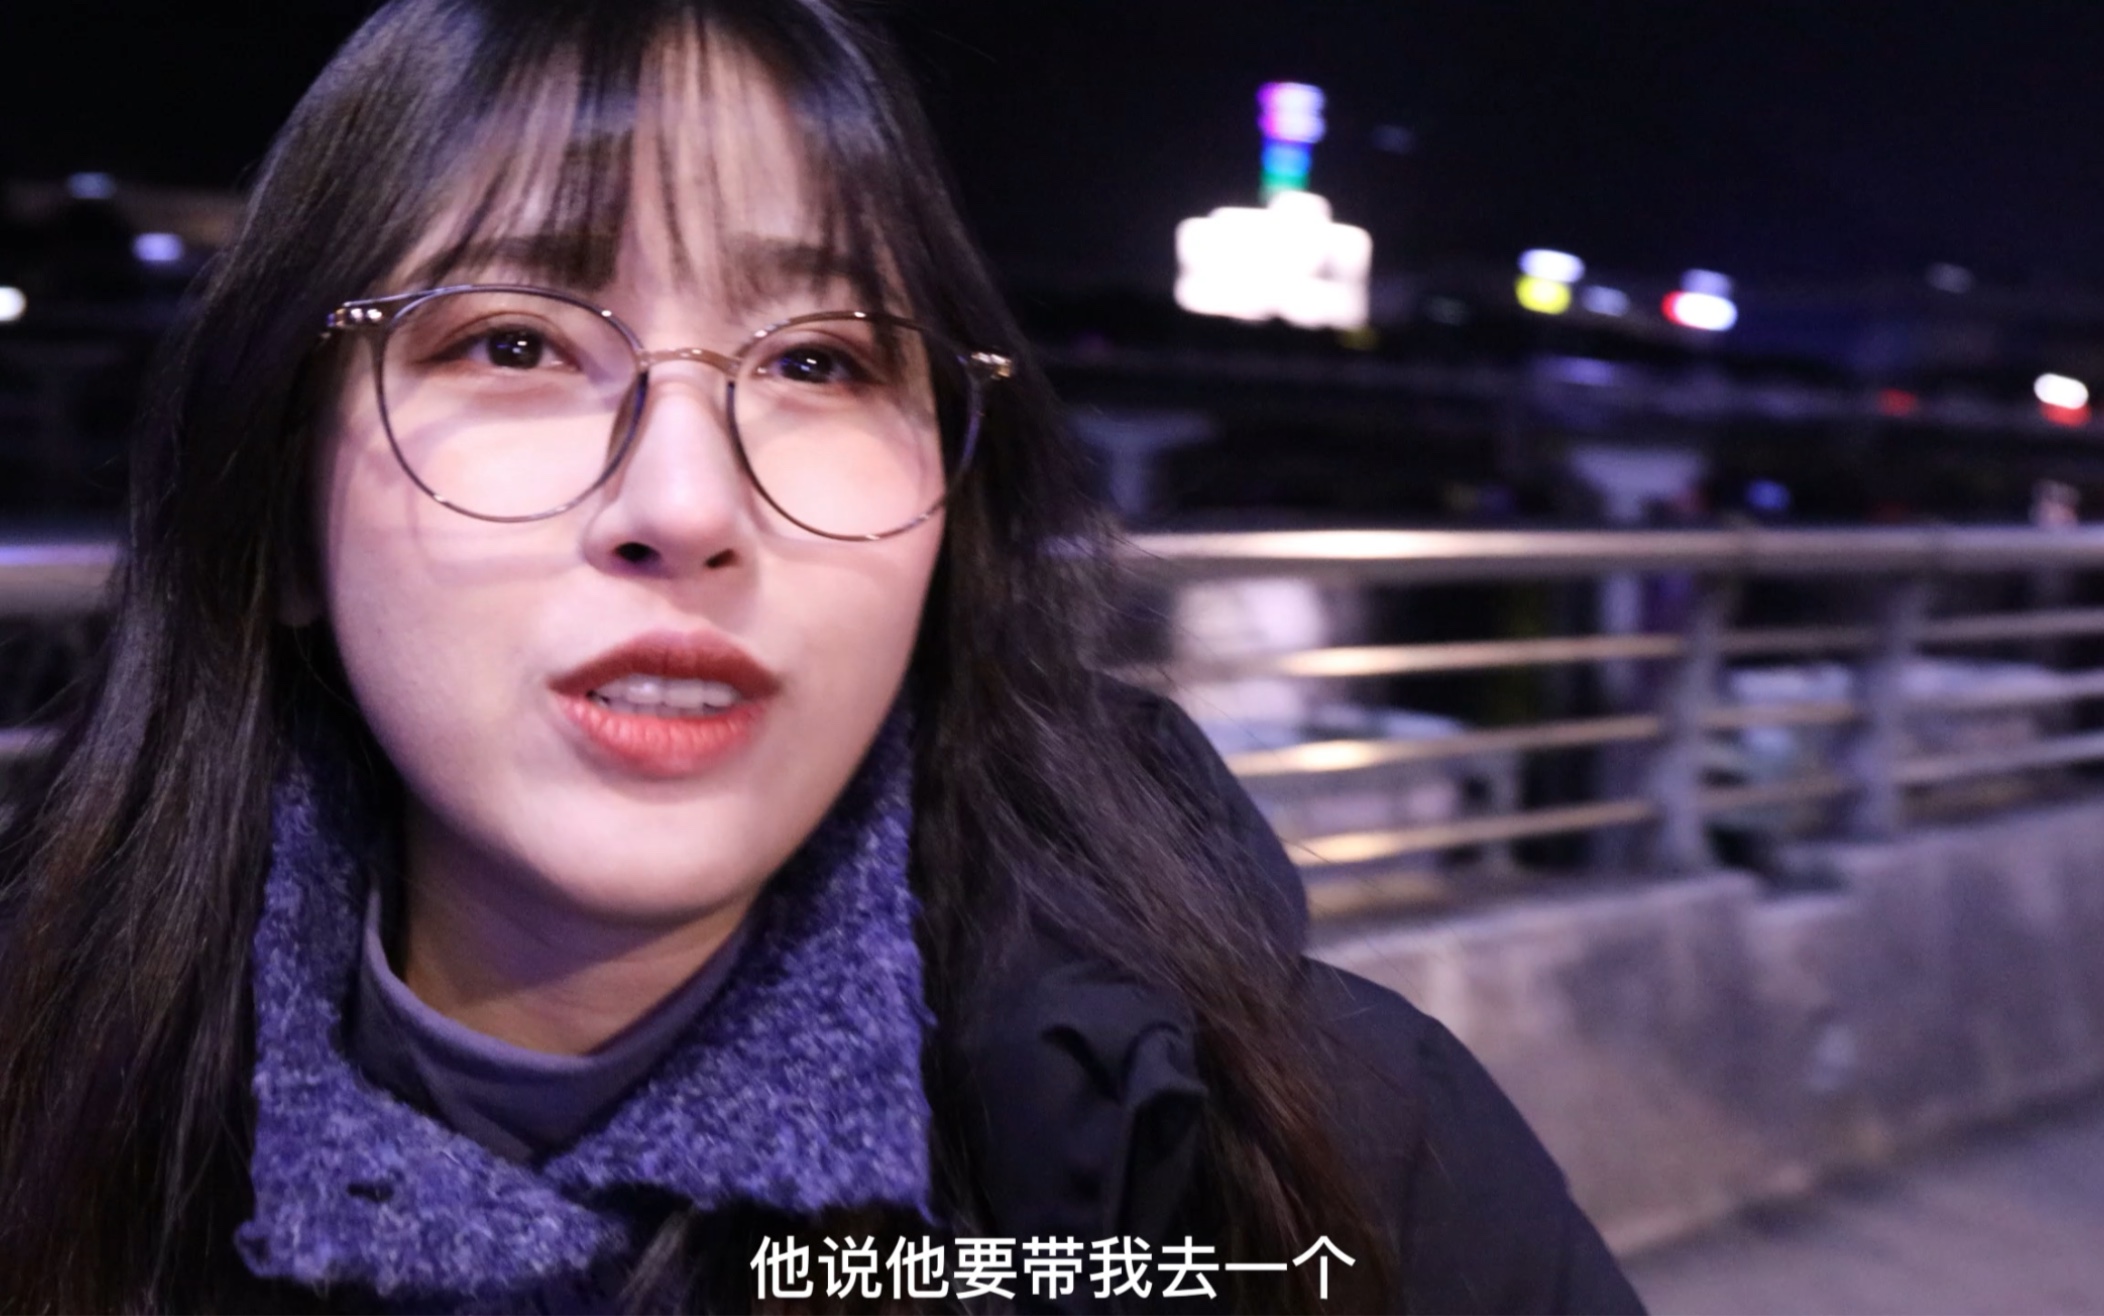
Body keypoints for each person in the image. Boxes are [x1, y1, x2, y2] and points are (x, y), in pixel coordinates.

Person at [0, 1, 1645, 1311]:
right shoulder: (43, 1106)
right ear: (283, 514)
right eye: (513, 342)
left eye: (816, 360)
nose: (685, 504)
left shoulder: (1311, 1166)